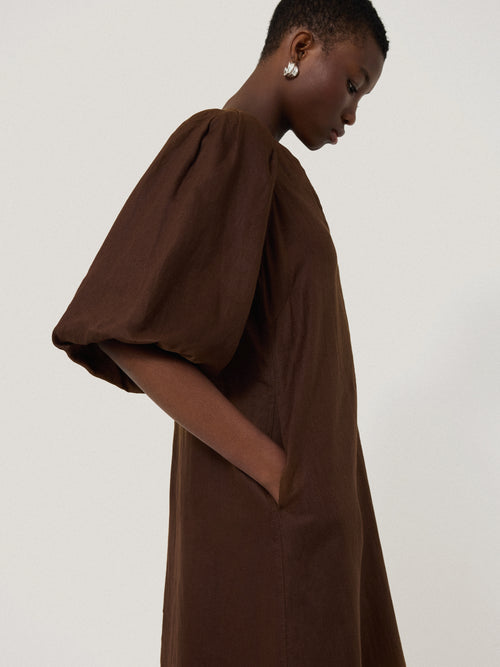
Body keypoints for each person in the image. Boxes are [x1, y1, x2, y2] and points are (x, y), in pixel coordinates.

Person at [52, 0, 407, 664]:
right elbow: (127, 336)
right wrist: (280, 474)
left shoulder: (273, 170)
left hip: (308, 518)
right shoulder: (229, 143)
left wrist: (311, 489)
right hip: (269, 522)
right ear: (300, 48)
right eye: (353, 84)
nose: (353, 113)